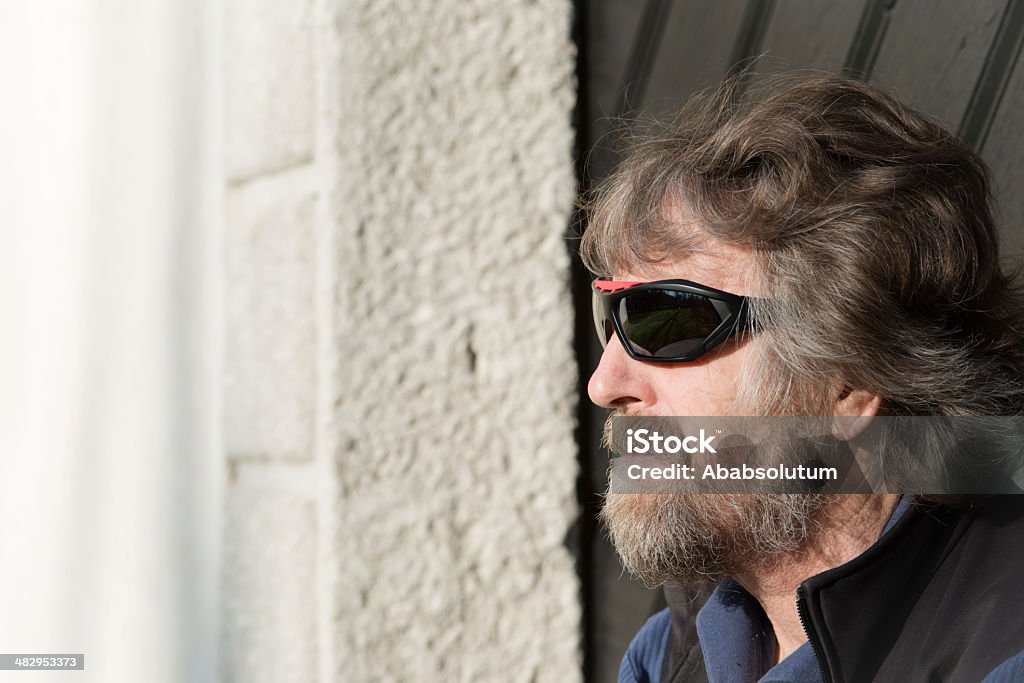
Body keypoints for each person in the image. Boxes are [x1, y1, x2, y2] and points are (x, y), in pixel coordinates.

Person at [582, 74, 1024, 682]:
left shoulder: (1002, 651)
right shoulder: (669, 656)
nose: (605, 384)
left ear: (851, 379)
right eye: (612, 315)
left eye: (666, 318)